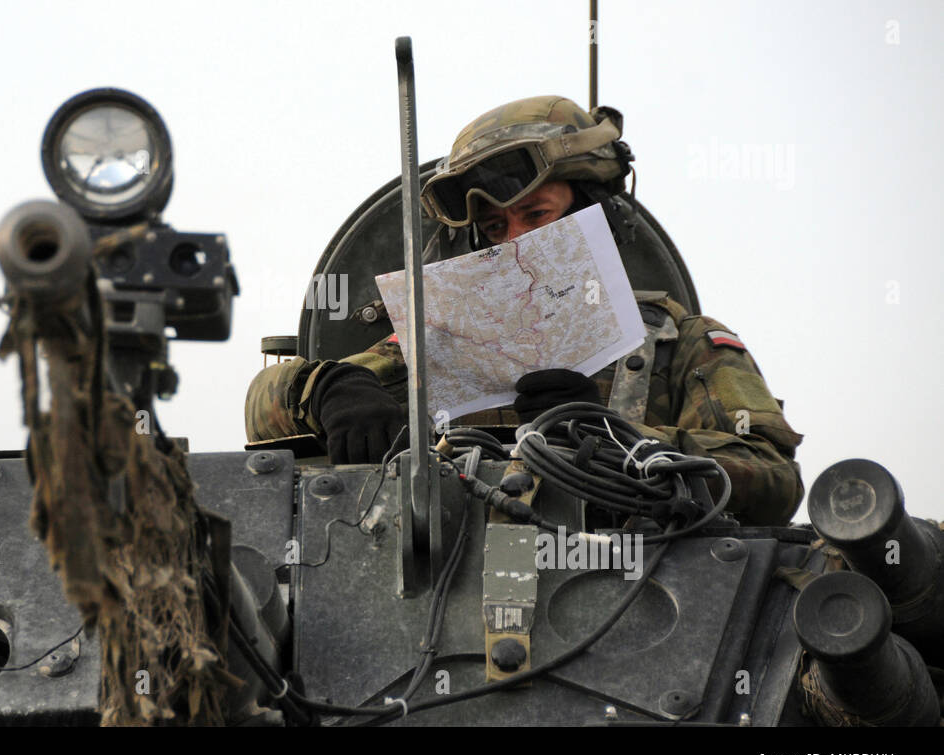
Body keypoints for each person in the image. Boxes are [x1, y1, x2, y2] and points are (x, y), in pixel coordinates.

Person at [244, 95, 804, 525]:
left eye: (536, 216)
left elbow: (773, 480)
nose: (515, 243)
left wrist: (622, 441)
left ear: (592, 216)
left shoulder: (678, 343)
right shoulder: (438, 344)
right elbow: (263, 409)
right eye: (495, 228)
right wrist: (330, 390)